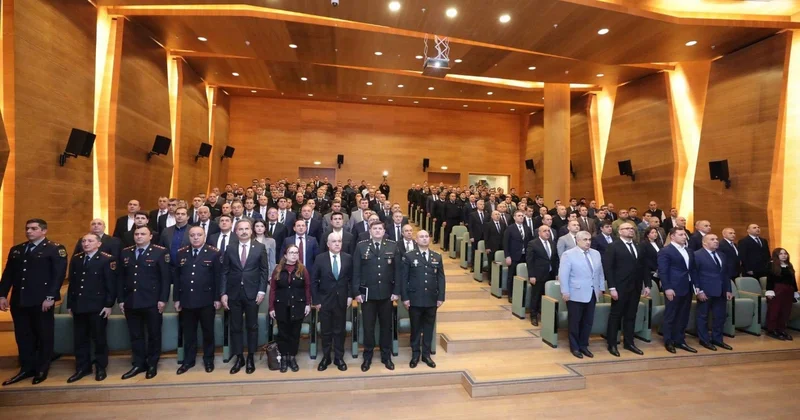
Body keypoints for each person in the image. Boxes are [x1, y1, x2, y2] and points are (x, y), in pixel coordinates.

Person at [0, 219, 67, 386]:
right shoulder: (17, 250)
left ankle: (42, 368)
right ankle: (26, 367)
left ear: (43, 231)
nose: (29, 231)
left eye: (34, 228)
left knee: (44, 334)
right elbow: (8, 274)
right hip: (19, 299)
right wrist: (2, 295)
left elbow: (58, 275)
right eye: (27, 228)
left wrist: (51, 297)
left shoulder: (54, 249)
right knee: (23, 335)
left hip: (41, 300)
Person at [118, 225, 171, 379]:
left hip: (152, 301)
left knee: (154, 334)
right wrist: (121, 299)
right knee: (135, 335)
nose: (139, 236)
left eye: (143, 234)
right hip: (131, 301)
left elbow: (165, 279)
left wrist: (162, 299)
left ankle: (152, 364)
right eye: (136, 234)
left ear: (150, 236)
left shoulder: (160, 252)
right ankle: (138, 363)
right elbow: (121, 278)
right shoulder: (126, 252)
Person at [220, 220, 269, 375]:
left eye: (246, 228)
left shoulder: (260, 247)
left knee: (252, 326)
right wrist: (223, 293)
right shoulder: (230, 248)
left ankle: (250, 357)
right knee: (235, 327)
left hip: (252, 293)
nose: (244, 231)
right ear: (236, 231)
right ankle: (239, 357)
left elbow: (264, 271)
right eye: (240, 229)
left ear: (251, 230)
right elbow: (224, 272)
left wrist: (262, 291)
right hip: (233, 293)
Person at [66, 234, 116, 383]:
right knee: (80, 339)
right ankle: (82, 367)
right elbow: (72, 283)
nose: (86, 244)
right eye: (83, 241)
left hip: (98, 306)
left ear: (99, 244)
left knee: (99, 338)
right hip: (79, 305)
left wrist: (108, 304)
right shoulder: (77, 258)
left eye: (90, 241)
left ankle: (101, 367)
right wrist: (70, 304)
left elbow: (110, 285)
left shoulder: (107, 259)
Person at [352, 221, 400, 372]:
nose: (378, 231)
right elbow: (356, 271)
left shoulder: (392, 245)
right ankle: (367, 356)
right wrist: (356, 292)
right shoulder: (361, 246)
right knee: (368, 327)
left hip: (387, 294)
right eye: (375, 228)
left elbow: (398, 271)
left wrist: (396, 291)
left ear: (384, 231)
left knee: (386, 327)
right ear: (370, 231)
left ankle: (386, 356)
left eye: (380, 228)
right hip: (368, 295)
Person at [174, 226, 221, 374]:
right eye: (192, 235)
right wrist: (176, 298)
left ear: (204, 236)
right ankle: (188, 361)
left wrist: (217, 298)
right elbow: (177, 278)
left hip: (206, 300)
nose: (195, 237)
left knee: (208, 332)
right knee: (189, 333)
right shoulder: (181, 253)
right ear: (189, 237)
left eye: (199, 235)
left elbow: (218, 278)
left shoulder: (214, 253)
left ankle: (208, 360)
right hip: (187, 300)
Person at [603, 222, 650, 357]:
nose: (631, 230)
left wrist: (647, 285)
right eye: (627, 228)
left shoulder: (638, 246)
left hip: (635, 287)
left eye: (632, 228)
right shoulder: (613, 246)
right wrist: (612, 288)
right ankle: (612, 344)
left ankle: (629, 343)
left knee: (631, 315)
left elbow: (644, 267)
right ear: (620, 231)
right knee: (616, 316)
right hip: (619, 287)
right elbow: (609, 268)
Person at [400, 230, 445, 368]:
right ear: (416, 239)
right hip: (415, 298)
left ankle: (426, 355)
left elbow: (441, 278)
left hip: (432, 298)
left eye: (426, 237)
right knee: (415, 327)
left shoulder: (436, 256)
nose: (424, 239)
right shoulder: (409, 256)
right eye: (421, 237)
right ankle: (415, 354)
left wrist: (441, 297)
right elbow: (404, 279)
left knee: (428, 327)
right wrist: (405, 298)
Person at [558, 231, 605, 359]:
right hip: (575, 293)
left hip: (592, 292)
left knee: (588, 321)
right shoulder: (568, 254)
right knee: (575, 321)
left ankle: (584, 345)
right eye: (585, 239)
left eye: (589, 239)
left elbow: (600, 273)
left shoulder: (596, 253)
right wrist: (565, 291)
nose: (588, 242)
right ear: (578, 241)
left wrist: (601, 287)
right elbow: (563, 275)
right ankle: (575, 347)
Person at [311, 232, 352, 372]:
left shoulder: (347, 258)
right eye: (334, 241)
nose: (337, 244)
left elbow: (351, 279)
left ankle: (339, 358)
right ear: (328, 244)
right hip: (324, 301)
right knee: (326, 331)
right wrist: (316, 300)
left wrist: (350, 296)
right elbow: (313, 281)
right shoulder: (319, 259)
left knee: (339, 330)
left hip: (341, 300)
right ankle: (326, 357)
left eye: (339, 241)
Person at [269, 245, 312, 373]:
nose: (294, 255)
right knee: (283, 334)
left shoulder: (302, 269)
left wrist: (308, 304)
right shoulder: (278, 269)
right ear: (285, 255)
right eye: (291, 252)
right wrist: (271, 307)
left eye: (296, 253)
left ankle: (292, 357)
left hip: (298, 306)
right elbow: (273, 289)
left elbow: (307, 288)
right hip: (281, 306)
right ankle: (283, 358)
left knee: (294, 333)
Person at [658, 228, 696, 354]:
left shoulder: (689, 250)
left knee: (683, 315)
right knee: (671, 315)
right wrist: (667, 287)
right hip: (673, 287)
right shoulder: (665, 251)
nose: (684, 236)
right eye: (680, 234)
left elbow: (692, 270)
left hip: (687, 286)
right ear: (672, 236)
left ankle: (680, 340)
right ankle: (668, 341)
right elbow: (663, 271)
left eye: (684, 234)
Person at [693, 234, 733, 351]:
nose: (716, 241)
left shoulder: (721, 255)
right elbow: (695, 275)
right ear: (704, 243)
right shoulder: (697, 255)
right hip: (705, 291)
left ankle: (717, 339)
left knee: (720, 317)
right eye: (712, 239)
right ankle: (704, 340)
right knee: (703, 316)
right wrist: (699, 291)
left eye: (716, 239)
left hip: (721, 292)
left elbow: (725, 274)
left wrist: (728, 289)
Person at [526, 225, 559, 326]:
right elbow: (529, 261)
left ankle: (545, 314)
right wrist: (532, 275)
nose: (547, 233)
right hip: (538, 274)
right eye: (544, 231)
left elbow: (555, 259)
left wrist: (557, 273)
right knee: (536, 296)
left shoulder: (552, 243)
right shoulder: (533, 243)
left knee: (548, 296)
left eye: (548, 231)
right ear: (539, 233)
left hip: (550, 274)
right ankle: (533, 316)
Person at [765, 248, 799, 340]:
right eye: (781, 254)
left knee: (786, 311)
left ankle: (782, 329)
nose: (784, 255)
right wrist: (769, 291)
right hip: (777, 289)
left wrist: (795, 291)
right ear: (776, 255)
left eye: (785, 253)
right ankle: (772, 329)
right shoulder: (772, 265)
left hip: (789, 290)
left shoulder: (789, 265)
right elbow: (770, 279)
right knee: (775, 310)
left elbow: (793, 280)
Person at [503, 211, 531, 302]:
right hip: (514, 256)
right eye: (519, 216)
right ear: (514, 217)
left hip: (525, 256)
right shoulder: (510, 228)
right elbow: (506, 243)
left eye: (522, 216)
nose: (521, 217)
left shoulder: (527, 228)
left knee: (523, 276)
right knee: (512, 276)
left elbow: (529, 242)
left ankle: (521, 295)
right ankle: (510, 295)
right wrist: (507, 256)